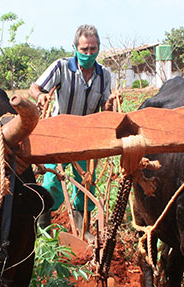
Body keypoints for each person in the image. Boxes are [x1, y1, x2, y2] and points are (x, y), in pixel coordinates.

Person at [30, 24, 120, 231]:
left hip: (87, 138)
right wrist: (41, 96)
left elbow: (106, 108)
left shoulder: (104, 75)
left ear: (98, 49)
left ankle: (83, 230)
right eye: (84, 49)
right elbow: (35, 87)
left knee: (86, 184)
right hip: (58, 136)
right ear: (75, 48)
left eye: (93, 49)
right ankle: (43, 230)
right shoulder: (61, 67)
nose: (89, 54)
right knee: (52, 183)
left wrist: (111, 103)